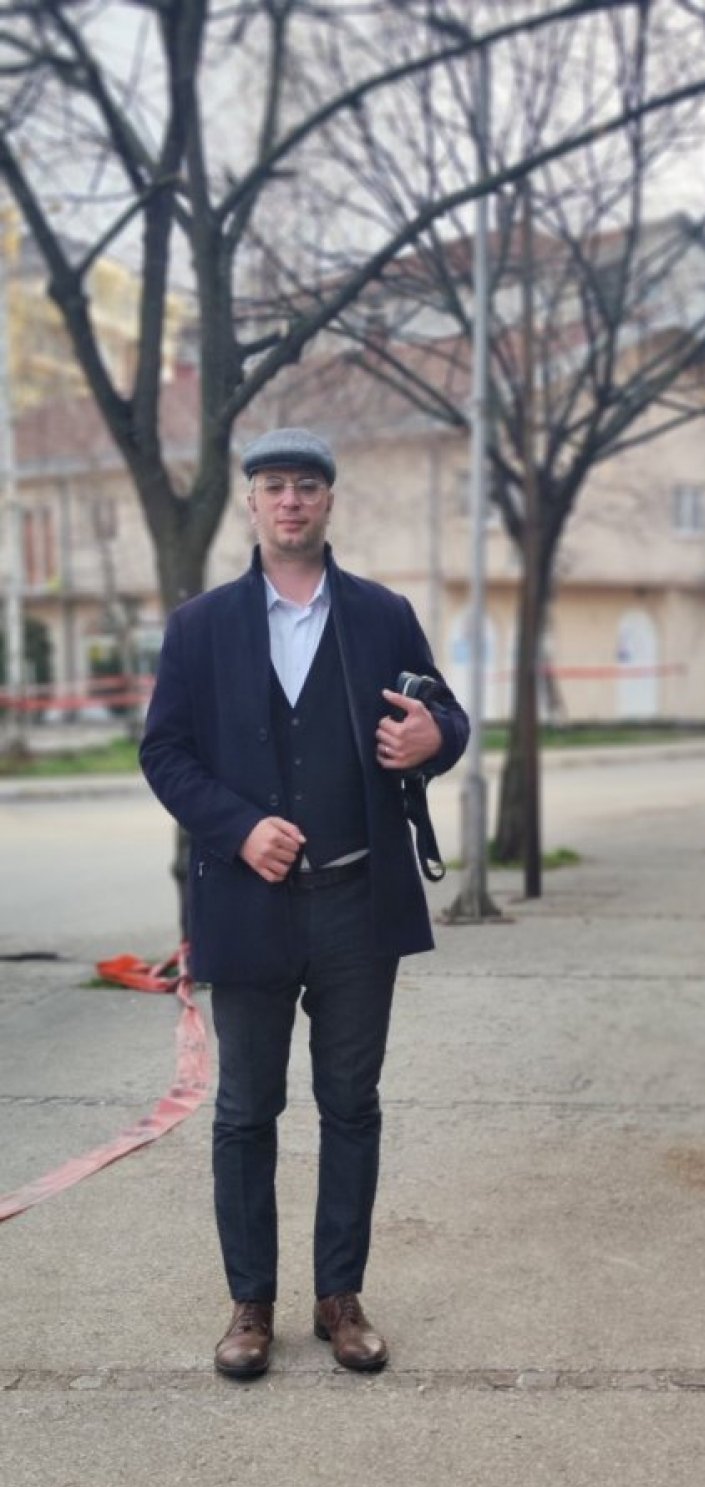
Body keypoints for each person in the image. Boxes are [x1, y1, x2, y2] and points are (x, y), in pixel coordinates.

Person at [140, 428, 469, 1380]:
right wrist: (239, 828)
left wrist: (434, 741)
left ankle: (340, 1299)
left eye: (308, 486)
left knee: (351, 1104)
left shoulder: (382, 614)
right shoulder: (200, 626)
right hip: (248, 905)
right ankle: (251, 1305)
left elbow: (445, 716)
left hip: (360, 901)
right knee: (246, 1110)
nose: (291, 500)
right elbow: (164, 752)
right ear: (252, 501)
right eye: (275, 486)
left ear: (329, 501)